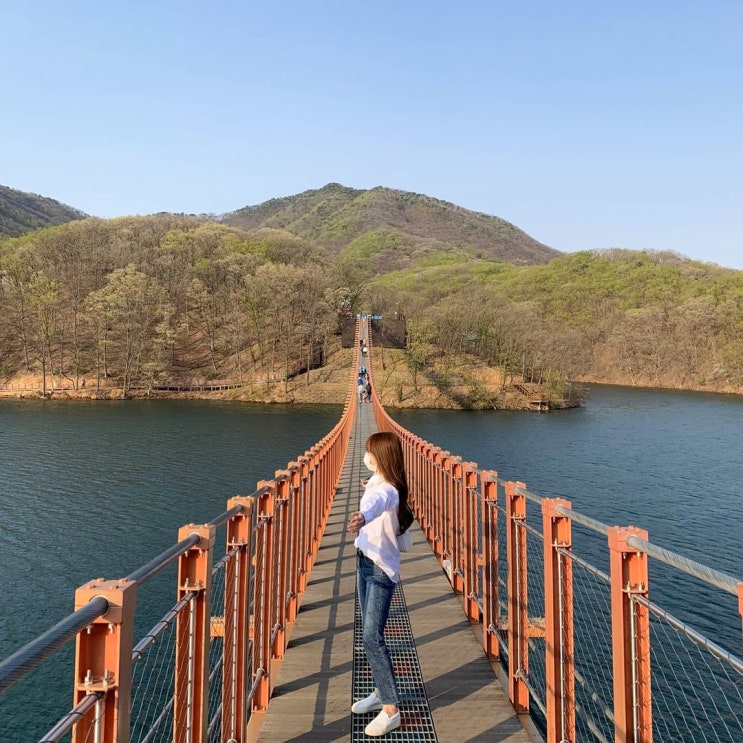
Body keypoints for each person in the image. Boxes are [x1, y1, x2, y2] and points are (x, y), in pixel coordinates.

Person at [348, 432, 414, 737]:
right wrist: (366, 488)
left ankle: (391, 710)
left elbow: (378, 502)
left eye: (369, 452)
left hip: (380, 569)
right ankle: (379, 691)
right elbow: (373, 488)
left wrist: (362, 516)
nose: (366, 456)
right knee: (370, 631)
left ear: (381, 456)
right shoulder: (377, 479)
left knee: (372, 637)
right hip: (364, 560)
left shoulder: (388, 490)